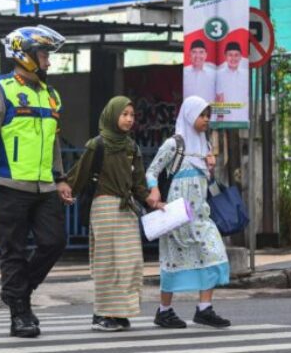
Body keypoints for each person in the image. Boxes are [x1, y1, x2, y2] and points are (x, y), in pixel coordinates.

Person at [0, 25, 74, 338]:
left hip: (45, 186)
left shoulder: (50, 94)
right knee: (13, 250)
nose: (48, 61)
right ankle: (20, 314)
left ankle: (17, 291)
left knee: (55, 242)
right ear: (25, 55)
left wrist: (60, 178)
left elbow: (53, 143)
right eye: (43, 54)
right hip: (9, 184)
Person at [68, 96, 162, 331]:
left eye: (132, 115)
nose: (129, 119)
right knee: (107, 263)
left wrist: (151, 200)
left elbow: (138, 184)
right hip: (104, 208)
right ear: (112, 115)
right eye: (124, 114)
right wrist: (66, 190)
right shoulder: (97, 145)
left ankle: (119, 312)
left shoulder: (132, 147)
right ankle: (102, 314)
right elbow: (79, 174)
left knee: (131, 263)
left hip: (127, 209)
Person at [144, 95, 231, 329]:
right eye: (202, 115)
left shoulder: (206, 145)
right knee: (172, 261)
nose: (205, 120)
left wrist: (210, 168)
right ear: (190, 114)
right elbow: (152, 171)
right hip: (176, 216)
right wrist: (154, 191)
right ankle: (164, 311)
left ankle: (204, 309)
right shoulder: (174, 144)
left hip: (201, 215)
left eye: (207, 116)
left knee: (213, 253)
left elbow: (206, 181)